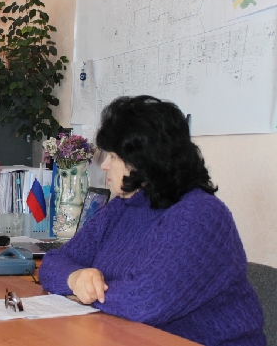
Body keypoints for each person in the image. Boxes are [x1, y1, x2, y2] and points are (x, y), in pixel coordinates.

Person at [39, 95, 265, 346]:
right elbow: (53, 263)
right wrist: (75, 278)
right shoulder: (122, 207)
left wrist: (87, 293)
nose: (104, 166)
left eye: (113, 157)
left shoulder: (201, 215)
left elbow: (143, 303)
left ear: (143, 161)